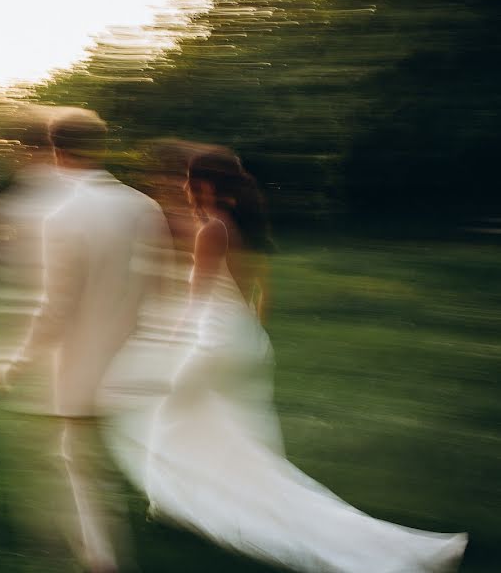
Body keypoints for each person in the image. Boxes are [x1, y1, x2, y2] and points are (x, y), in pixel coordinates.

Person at [112, 144, 468, 572]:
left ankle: (195, 505)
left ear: (204, 183)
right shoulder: (236, 224)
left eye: (189, 178)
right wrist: (247, 332)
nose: (184, 186)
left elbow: (197, 298)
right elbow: (255, 295)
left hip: (215, 341)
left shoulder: (211, 229)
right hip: (240, 338)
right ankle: (177, 503)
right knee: (209, 428)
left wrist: (169, 339)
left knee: (157, 417)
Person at [6, 108, 173, 572]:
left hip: (77, 362)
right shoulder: (144, 205)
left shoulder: (59, 214)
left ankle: (100, 558)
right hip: (136, 356)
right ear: (101, 146)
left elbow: (55, 304)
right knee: (125, 451)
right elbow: (161, 288)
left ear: (56, 149)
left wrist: (19, 358)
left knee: (76, 464)